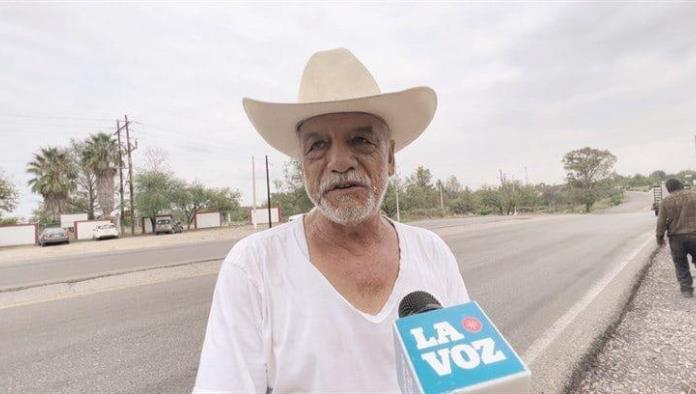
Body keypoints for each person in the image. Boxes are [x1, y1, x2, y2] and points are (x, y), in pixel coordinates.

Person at [193, 48, 469, 393]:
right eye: (318, 145)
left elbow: (466, 380)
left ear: (391, 158)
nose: (339, 162)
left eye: (361, 140)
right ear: (302, 164)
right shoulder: (254, 267)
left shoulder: (432, 253)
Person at [656, 178, 696, 298]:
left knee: (680, 263)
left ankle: (686, 289)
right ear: (681, 185)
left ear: (668, 189)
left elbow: (661, 222)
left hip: (677, 239)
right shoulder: (694, 195)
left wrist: (660, 238)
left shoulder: (666, 201)